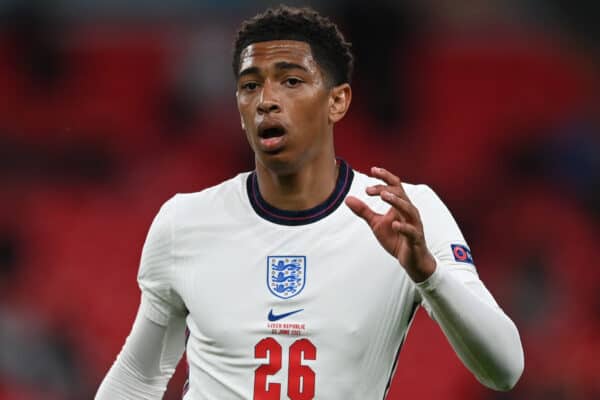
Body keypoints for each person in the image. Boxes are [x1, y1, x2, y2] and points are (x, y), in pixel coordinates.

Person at [96, 5, 524, 399]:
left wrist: (428, 274)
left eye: (291, 80)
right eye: (249, 86)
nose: (266, 100)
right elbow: (140, 377)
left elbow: (504, 369)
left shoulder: (404, 212)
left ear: (337, 101)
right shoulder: (184, 221)